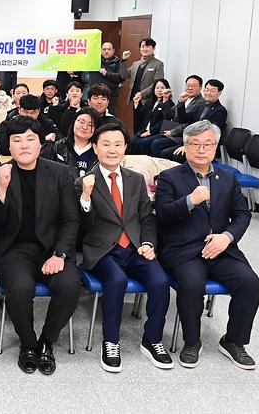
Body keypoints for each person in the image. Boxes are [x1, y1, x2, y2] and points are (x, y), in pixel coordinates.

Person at [155, 120, 259, 370]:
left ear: (215, 147)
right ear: (185, 146)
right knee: (192, 284)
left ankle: (233, 341)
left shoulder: (227, 178)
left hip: (221, 247)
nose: (201, 149)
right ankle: (192, 342)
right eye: (195, 144)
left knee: (250, 283)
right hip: (184, 250)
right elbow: (162, 214)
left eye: (208, 144)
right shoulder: (170, 177)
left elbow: (242, 214)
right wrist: (189, 201)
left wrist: (227, 237)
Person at [0, 117, 80, 375]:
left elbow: (70, 218)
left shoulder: (60, 172)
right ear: (9, 146)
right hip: (14, 250)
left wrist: (59, 254)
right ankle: (28, 344)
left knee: (70, 285)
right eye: (17, 140)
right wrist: (2, 187)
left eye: (30, 139)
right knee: (20, 287)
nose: (24, 145)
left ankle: (46, 342)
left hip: (51, 249)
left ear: (40, 144)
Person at [77, 123, 173, 373]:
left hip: (134, 248)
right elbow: (81, 226)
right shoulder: (84, 181)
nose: (112, 150)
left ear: (125, 148)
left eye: (118, 144)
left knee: (161, 281)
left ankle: (152, 340)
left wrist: (149, 244)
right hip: (102, 251)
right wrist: (85, 198)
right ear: (95, 148)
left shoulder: (136, 180)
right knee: (116, 281)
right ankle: (110, 342)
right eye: (106, 144)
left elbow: (147, 217)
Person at [152, 79, 227, 161]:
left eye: (212, 91)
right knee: (160, 148)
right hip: (190, 140)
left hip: (203, 144)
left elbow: (210, 133)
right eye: (207, 90)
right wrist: (181, 103)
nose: (208, 93)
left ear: (219, 93)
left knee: (174, 154)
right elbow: (184, 120)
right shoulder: (201, 106)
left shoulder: (220, 110)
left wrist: (189, 145)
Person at [139, 75, 204, 158]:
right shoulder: (185, 98)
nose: (190, 88)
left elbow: (191, 124)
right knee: (142, 141)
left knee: (155, 143)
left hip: (182, 135)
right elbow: (169, 115)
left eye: (193, 86)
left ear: (201, 87)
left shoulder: (201, 103)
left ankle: (160, 167)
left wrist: (173, 132)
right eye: (188, 85)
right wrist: (165, 99)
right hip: (171, 130)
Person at [41, 107, 101, 178]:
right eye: (81, 122)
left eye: (90, 125)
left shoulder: (99, 151)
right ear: (74, 122)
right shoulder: (58, 147)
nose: (85, 127)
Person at [130, 79, 175, 155]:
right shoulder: (150, 102)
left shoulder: (169, 104)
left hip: (156, 132)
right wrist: (136, 104)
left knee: (142, 142)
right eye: (157, 88)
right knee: (132, 141)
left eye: (162, 88)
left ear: (167, 89)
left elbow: (165, 121)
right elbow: (141, 118)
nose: (159, 90)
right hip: (144, 131)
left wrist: (150, 131)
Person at [128, 38, 165, 127]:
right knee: (136, 124)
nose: (144, 49)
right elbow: (123, 75)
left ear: (153, 48)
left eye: (147, 46)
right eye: (142, 46)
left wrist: (142, 94)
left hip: (149, 100)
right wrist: (123, 60)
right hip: (136, 100)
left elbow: (157, 83)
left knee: (146, 125)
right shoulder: (136, 64)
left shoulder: (158, 64)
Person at [87, 42, 129, 114]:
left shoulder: (118, 62)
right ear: (100, 50)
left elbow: (122, 77)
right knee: (93, 117)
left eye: (109, 49)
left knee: (109, 119)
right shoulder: (94, 61)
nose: (106, 51)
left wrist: (107, 74)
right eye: (104, 49)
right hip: (95, 95)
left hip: (111, 97)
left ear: (113, 51)